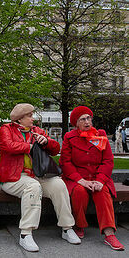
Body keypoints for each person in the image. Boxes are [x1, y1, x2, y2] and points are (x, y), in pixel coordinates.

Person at [0, 103, 80, 252]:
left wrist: (47, 142)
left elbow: (56, 149)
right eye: (29, 116)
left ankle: (67, 228)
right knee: (33, 186)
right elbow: (7, 146)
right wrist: (30, 146)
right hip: (13, 177)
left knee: (59, 185)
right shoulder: (6, 129)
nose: (33, 119)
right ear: (19, 119)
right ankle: (25, 234)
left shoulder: (38, 131)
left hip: (37, 174)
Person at [59, 106, 125, 251]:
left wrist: (100, 180)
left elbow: (108, 161)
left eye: (89, 118)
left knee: (102, 193)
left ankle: (109, 234)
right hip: (77, 179)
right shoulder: (69, 138)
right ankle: (79, 225)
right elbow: (65, 162)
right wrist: (80, 180)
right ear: (76, 123)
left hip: (98, 177)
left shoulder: (100, 135)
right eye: (83, 119)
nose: (87, 122)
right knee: (79, 192)